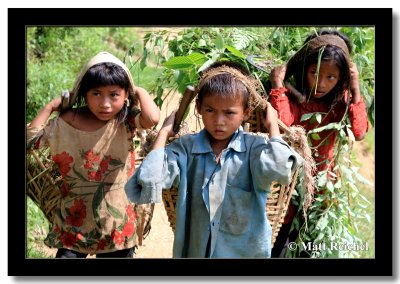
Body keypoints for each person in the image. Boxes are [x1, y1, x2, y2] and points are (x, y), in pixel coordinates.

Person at [124, 61, 301, 258]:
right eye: (210, 110)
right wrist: (164, 132)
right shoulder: (186, 149)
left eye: (229, 113)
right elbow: (149, 179)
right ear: (198, 107)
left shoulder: (254, 150)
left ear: (247, 112)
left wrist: (273, 126)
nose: (219, 121)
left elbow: (280, 169)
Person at [27, 51, 160, 258]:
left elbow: (152, 118)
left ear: (126, 96)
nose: (105, 104)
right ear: (83, 93)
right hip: (74, 223)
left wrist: (138, 90)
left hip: (116, 224)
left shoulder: (125, 120)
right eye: (96, 94)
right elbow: (30, 141)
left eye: (114, 94)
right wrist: (50, 107)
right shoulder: (69, 120)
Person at [268, 30, 369, 257]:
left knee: (310, 250)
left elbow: (360, 131)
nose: (320, 84)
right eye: (315, 73)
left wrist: (355, 89)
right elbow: (287, 126)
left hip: (322, 193)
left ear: (341, 78)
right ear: (305, 69)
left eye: (331, 77)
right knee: (279, 247)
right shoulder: (293, 96)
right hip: (288, 188)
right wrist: (277, 84)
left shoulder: (340, 104)